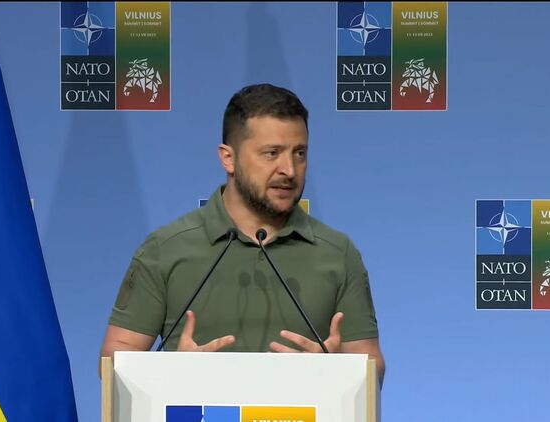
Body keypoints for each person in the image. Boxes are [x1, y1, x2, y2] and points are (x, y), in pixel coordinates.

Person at [99, 83, 385, 382]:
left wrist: (336, 371)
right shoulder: (166, 248)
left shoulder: (337, 253)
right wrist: (172, 373)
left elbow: (372, 364)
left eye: (299, 153)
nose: (289, 169)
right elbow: (114, 359)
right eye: (272, 153)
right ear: (228, 158)